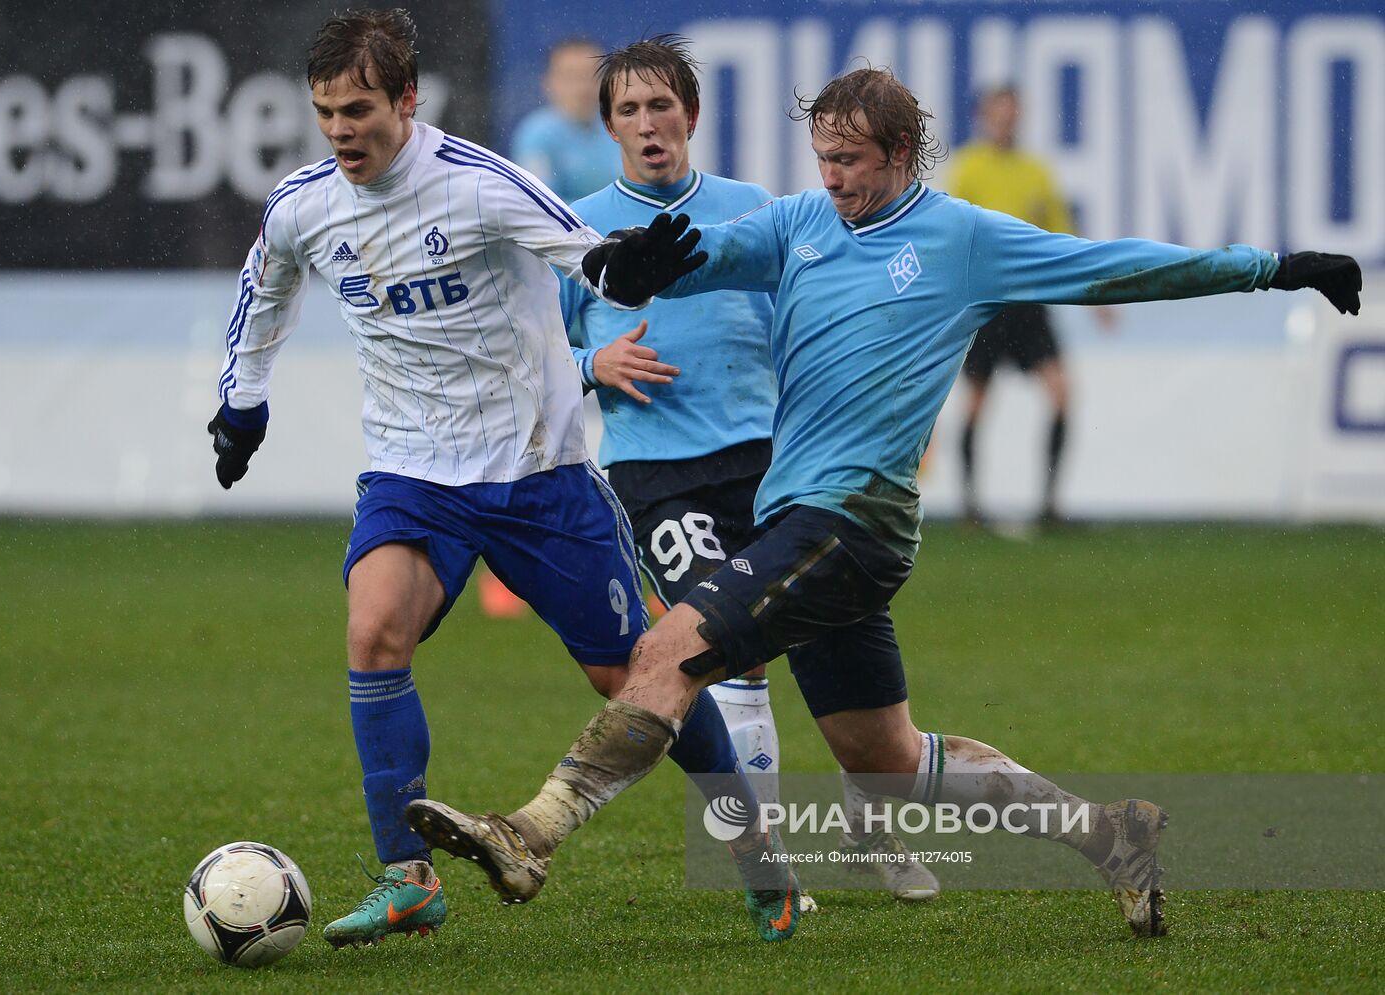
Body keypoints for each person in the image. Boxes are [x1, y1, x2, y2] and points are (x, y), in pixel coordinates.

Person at [407, 65, 1361, 942]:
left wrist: (1273, 267)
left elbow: (1117, 265)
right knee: (888, 756)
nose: (832, 177)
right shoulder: (799, 224)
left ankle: (531, 831)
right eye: (821, 157)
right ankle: (1112, 835)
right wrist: (646, 264)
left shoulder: (964, 239)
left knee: (664, 651)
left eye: (851, 161)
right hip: (804, 521)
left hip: (854, 521)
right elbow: (715, 251)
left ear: (902, 156)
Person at [205, 8, 756, 949]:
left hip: (537, 473)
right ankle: (406, 877)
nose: (341, 130)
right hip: (411, 472)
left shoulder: (480, 186)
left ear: (408, 100)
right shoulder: (305, 203)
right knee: (374, 630)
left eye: (360, 109)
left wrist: (626, 268)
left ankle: (754, 844)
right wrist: (244, 397)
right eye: (326, 111)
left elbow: (587, 255)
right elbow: (267, 287)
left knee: (632, 675)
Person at [559, 34, 937, 904]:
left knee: (843, 662)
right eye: (628, 110)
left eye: (663, 107)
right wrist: (591, 365)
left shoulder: (756, 210)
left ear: (691, 116)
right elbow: (533, 352)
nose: (648, 124)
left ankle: (870, 815)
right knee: (730, 660)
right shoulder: (573, 229)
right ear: (608, 124)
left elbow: (818, 321)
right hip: (661, 478)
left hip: (778, 468)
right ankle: (771, 868)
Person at [946, 85, 1114, 526]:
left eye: (1012, 112)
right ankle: (968, 505)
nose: (1006, 120)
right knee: (978, 402)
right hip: (987, 302)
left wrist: (1096, 294)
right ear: (984, 116)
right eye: (998, 112)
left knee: (1061, 393)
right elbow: (949, 236)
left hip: (1029, 303)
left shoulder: (1036, 172)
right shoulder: (968, 169)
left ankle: (1050, 505)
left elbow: (1061, 235)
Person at [511, 38, 623, 203]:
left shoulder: (621, 126)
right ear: (549, 83)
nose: (582, 87)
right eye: (570, 77)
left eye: (591, 75)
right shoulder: (536, 133)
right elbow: (540, 203)